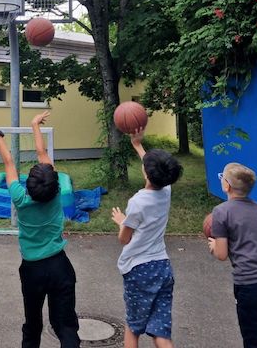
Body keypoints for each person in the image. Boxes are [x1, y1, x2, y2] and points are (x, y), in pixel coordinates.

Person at [0, 111, 80, 348]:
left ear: (29, 186)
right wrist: (34, 124)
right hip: (60, 266)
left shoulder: (20, 199)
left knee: (32, 326)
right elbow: (43, 153)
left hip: (32, 270)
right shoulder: (55, 196)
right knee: (66, 325)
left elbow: (9, 162)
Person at [110, 127, 183, 348]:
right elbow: (154, 170)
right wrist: (138, 145)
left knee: (133, 327)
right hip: (162, 268)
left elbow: (124, 239)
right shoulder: (166, 191)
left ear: (146, 173)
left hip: (138, 269)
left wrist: (122, 221)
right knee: (160, 329)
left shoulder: (138, 202)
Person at [208, 163, 257, 348]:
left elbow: (221, 254)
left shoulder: (221, 211)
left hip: (251, 286)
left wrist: (213, 245)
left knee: (253, 340)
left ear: (226, 185)